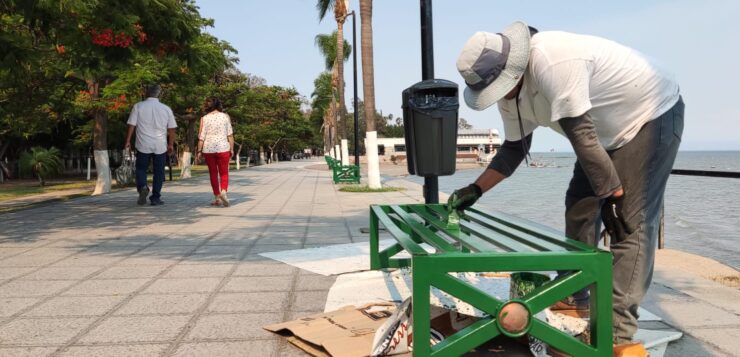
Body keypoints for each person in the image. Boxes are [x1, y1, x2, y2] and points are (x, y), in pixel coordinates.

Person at [450, 21, 683, 355]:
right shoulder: (509, 98)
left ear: (513, 69)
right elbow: (514, 151)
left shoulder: (551, 59)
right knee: (578, 207)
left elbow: (582, 135)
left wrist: (614, 196)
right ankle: (576, 297)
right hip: (602, 135)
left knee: (630, 225)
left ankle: (619, 335)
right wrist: (474, 190)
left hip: (651, 114)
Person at [125, 84, 177, 206]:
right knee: (159, 172)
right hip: (160, 145)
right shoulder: (166, 109)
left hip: (143, 144)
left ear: (146, 93)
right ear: (158, 93)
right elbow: (172, 128)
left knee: (141, 168)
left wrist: (127, 141)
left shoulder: (138, 106)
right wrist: (171, 144)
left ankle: (143, 187)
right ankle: (155, 198)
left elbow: (131, 124)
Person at [195, 97, 234, 207]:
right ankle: (224, 192)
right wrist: (232, 148)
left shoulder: (204, 118)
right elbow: (230, 134)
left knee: (213, 173)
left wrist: (199, 151)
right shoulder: (225, 116)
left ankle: (217, 197)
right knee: (224, 172)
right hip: (223, 148)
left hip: (208, 149)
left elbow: (201, 137)